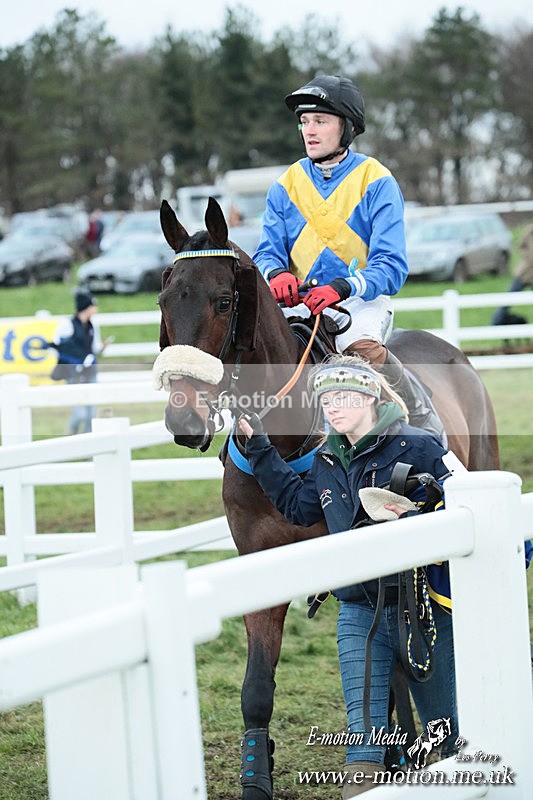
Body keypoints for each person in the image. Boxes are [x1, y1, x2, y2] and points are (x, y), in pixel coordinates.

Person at [239, 356, 457, 797]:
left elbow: (464, 501)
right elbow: (300, 509)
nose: (332, 408)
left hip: (422, 612)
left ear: (369, 397)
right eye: (326, 400)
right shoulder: (328, 457)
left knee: (448, 734)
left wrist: (418, 514)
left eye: (342, 398)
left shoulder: (421, 446)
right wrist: (259, 449)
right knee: (363, 737)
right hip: (358, 613)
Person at [253, 74, 442, 438]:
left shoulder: (377, 181)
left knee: (361, 350)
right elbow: (267, 251)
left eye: (320, 121)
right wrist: (276, 274)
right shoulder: (285, 185)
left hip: (358, 302)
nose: (309, 130)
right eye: (304, 121)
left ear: (348, 127)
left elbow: (391, 267)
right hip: (300, 304)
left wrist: (342, 287)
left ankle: (421, 420)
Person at [49, 290, 109, 434]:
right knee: (79, 413)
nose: (96, 309)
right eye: (93, 306)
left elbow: (94, 348)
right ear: (86, 307)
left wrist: (102, 348)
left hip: (90, 371)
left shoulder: (92, 325)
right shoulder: (66, 325)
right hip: (73, 373)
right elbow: (55, 347)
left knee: (91, 412)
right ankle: (71, 437)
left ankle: (88, 444)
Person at [492, 223, 533, 325]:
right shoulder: (530, 231)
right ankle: (496, 322)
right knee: (509, 298)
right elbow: (520, 246)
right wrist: (528, 258)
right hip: (524, 273)